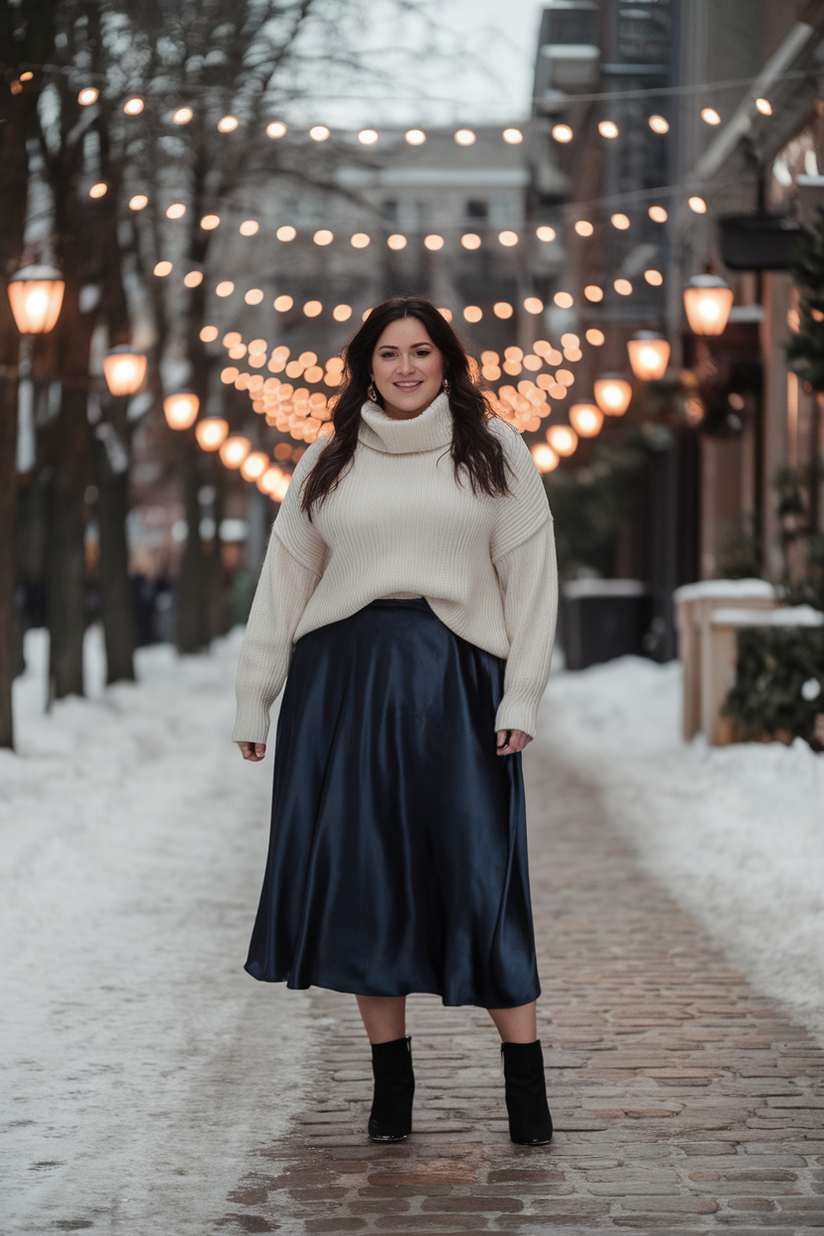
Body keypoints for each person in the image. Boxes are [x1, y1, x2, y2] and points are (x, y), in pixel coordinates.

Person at [233, 296, 558, 1146]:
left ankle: (526, 1087)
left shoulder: (496, 453)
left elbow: (532, 584)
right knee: (363, 878)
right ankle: (392, 1088)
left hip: (457, 682)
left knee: (478, 873)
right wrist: (255, 691)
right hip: (341, 684)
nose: (405, 367)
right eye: (388, 354)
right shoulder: (328, 459)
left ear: (447, 360)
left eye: (420, 351)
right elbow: (284, 581)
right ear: (365, 367)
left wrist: (520, 695)